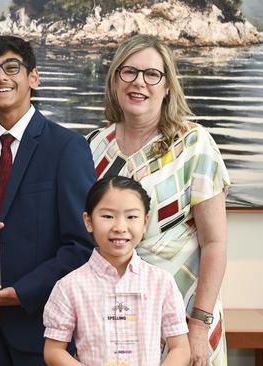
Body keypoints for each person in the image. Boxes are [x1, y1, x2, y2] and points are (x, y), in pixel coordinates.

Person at [0, 35, 96, 365]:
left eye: (11, 67)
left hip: (44, 324)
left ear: (33, 77)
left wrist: (22, 293)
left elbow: (82, 245)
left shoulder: (66, 148)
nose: (1, 76)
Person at [87, 34, 230, 365]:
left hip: (185, 308)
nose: (139, 82)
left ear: (167, 86)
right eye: (129, 72)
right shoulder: (93, 145)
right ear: (115, 80)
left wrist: (198, 324)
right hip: (115, 312)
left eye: (152, 74)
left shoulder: (194, 144)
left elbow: (215, 244)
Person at [43, 176, 190, 365]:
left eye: (131, 217)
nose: (120, 227)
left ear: (145, 222)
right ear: (88, 221)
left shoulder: (161, 282)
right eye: (107, 216)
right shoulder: (69, 287)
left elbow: (180, 347)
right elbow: (54, 351)